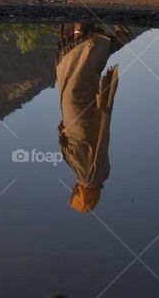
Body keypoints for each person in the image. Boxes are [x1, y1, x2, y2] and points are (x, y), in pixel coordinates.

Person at [55, 22, 133, 212]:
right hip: (78, 123)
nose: (73, 191)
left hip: (84, 122)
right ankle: (87, 36)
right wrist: (62, 136)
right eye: (75, 195)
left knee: (80, 80)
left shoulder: (101, 174)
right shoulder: (86, 176)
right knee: (74, 81)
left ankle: (98, 39)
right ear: (83, 196)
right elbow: (77, 148)